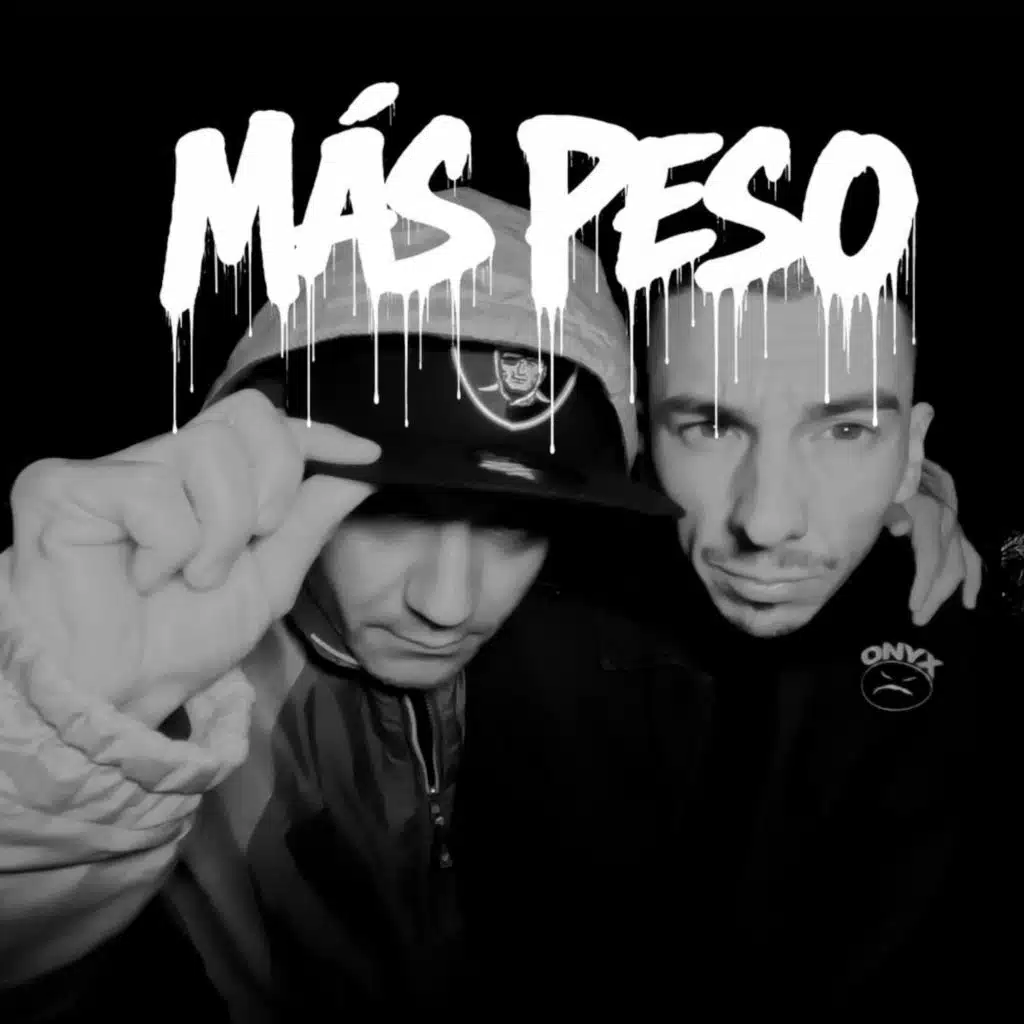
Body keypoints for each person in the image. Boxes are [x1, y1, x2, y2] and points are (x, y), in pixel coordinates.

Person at [0, 191, 979, 1020]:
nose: (447, 603)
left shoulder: (578, 620)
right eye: (386, 509)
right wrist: (56, 741)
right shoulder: (162, 694)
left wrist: (895, 495)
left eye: (517, 519)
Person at [456, 266, 1007, 1015]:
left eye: (847, 430)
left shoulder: (965, 634)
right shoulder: (496, 613)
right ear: (640, 436)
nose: (767, 522)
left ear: (911, 453)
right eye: (710, 428)